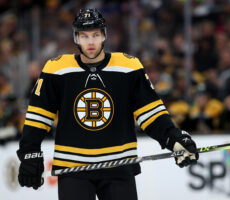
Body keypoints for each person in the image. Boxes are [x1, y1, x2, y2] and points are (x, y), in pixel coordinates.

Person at [16, 8, 199, 200]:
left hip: (119, 165)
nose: (91, 41)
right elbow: (39, 116)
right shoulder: (56, 68)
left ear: (104, 35)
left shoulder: (129, 67)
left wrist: (174, 139)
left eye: (96, 34)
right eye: (84, 36)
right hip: (73, 168)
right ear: (76, 38)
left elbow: (151, 113)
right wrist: (30, 151)